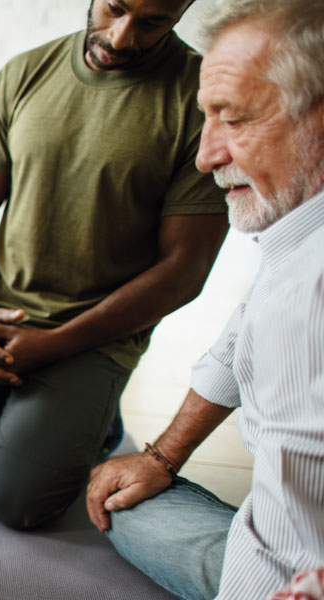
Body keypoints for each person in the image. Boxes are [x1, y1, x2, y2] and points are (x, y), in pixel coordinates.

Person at [0, 0, 230, 529]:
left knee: (18, 502)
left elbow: (184, 269)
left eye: (152, 23)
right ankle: (32, 421)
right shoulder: (24, 72)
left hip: (96, 336)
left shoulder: (200, 102)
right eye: (115, 9)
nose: (123, 37)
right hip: (2, 315)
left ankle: (89, 423)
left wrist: (57, 345)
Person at [85, 1, 324, 598]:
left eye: (235, 120)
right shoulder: (297, 238)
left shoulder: (310, 299)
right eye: (207, 118)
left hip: (274, 579)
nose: (206, 155)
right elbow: (242, 332)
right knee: (126, 499)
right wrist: (162, 458)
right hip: (274, 538)